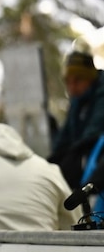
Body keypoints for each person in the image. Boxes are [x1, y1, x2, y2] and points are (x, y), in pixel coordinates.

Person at [48, 46, 104, 189]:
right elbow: (65, 135)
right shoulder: (77, 101)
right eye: (68, 82)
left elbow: (93, 133)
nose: (72, 87)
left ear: (90, 78)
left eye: (78, 80)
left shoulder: (101, 95)